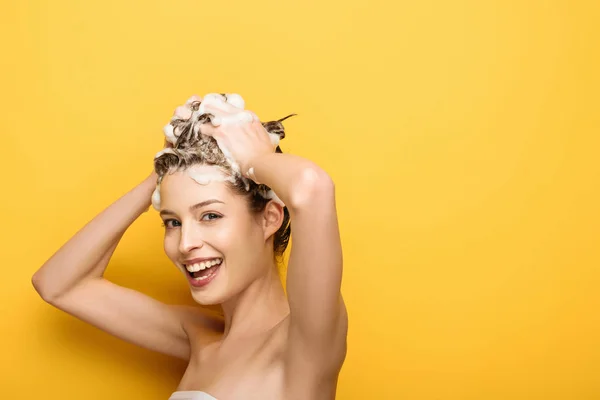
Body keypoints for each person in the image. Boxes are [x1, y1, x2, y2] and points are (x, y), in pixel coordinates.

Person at [32, 93, 348, 400]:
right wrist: (161, 176)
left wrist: (255, 160)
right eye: (172, 222)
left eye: (210, 215)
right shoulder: (198, 336)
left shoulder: (303, 346)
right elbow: (58, 284)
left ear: (269, 218)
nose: (185, 244)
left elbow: (312, 187)